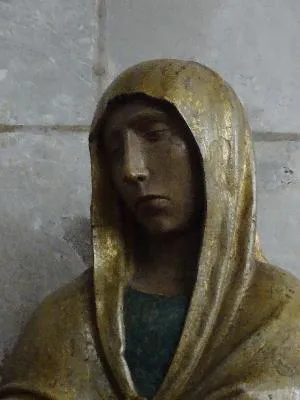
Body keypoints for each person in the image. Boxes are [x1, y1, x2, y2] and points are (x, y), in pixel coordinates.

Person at [1, 59, 300, 400]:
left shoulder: (281, 316)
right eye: (115, 151)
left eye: (155, 135)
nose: (132, 169)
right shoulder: (67, 319)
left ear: (216, 147)